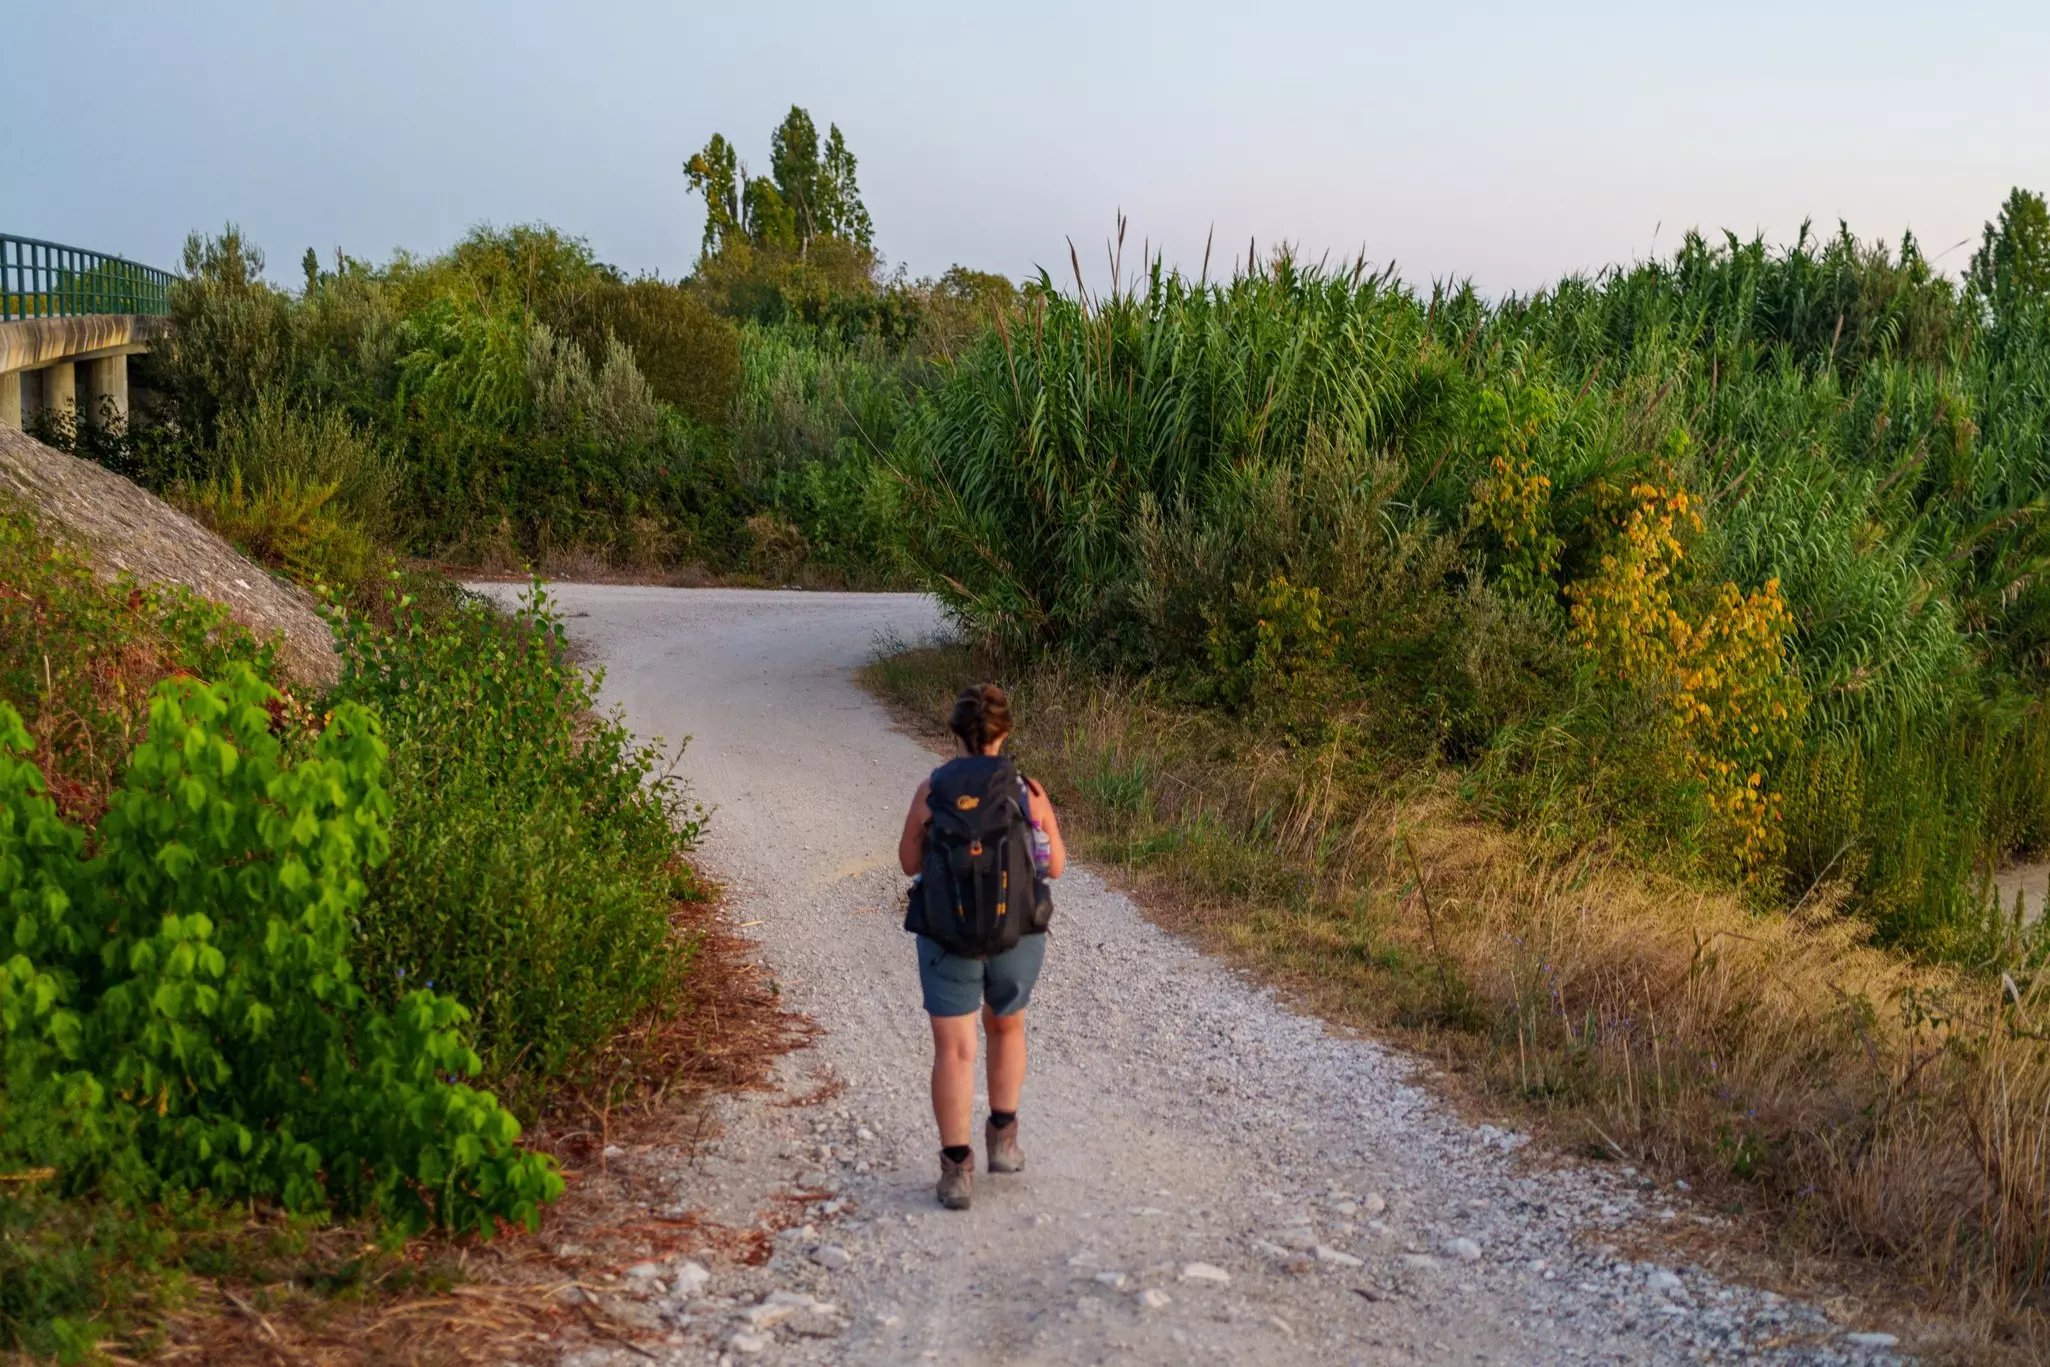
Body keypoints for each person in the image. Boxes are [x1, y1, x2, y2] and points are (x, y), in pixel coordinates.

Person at [897, 684, 1065, 1210]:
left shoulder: (932, 790)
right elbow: (1053, 866)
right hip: (1017, 931)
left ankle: (955, 1171)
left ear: (955, 731)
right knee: (1006, 1025)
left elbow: (909, 863)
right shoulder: (1028, 790)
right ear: (1005, 731)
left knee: (954, 1050)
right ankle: (1004, 1141)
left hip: (947, 933)